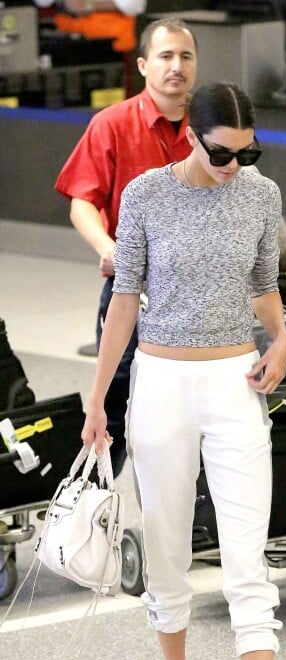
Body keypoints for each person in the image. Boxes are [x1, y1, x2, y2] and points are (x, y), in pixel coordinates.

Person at [81, 81, 286, 660]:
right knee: (169, 545)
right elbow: (124, 300)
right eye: (222, 152)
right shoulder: (144, 195)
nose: (235, 164)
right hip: (162, 382)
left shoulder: (261, 194)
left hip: (236, 381)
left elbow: (264, 282)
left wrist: (281, 339)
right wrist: (95, 400)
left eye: (247, 151)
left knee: (246, 552)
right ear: (192, 138)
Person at [54, 17, 197, 477]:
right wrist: (108, 247)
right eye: (165, 56)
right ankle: (91, 513)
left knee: (193, 408)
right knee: (113, 402)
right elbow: (82, 201)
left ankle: (197, 522)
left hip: (199, 292)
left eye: (186, 56)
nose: (176, 66)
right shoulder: (112, 124)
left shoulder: (212, 127)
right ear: (143, 64)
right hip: (131, 285)